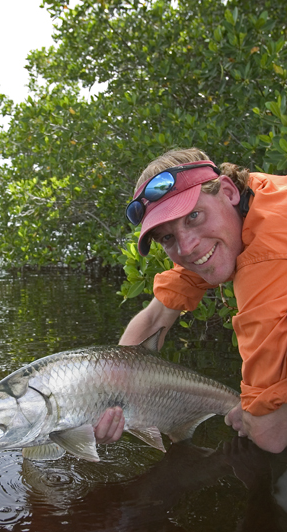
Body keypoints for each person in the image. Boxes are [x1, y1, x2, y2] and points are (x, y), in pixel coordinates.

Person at [94, 147, 287, 454]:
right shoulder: (253, 196)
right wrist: (106, 396)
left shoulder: (269, 256)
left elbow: (271, 435)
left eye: (193, 216)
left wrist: (251, 416)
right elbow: (156, 317)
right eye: (167, 237)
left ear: (226, 191)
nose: (187, 248)